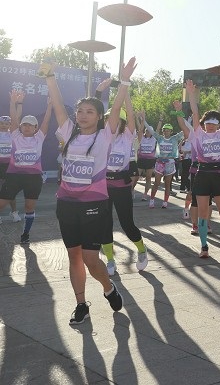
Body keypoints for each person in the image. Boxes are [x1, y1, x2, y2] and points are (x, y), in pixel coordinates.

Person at [44, 58, 135, 324]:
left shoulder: (105, 136)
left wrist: (124, 81)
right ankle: (81, 304)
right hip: (66, 204)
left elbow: (116, 107)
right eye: (80, 111)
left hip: (94, 205)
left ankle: (108, 287)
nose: (83, 115)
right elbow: (58, 104)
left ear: (99, 116)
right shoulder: (69, 132)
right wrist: (49, 76)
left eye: (90, 112)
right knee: (74, 256)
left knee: (91, 260)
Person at [174, 79, 220, 258]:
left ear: (218, 124)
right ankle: (204, 247)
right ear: (203, 124)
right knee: (203, 214)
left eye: (214, 122)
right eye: (208, 122)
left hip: (218, 175)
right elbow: (195, 112)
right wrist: (191, 93)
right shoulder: (198, 134)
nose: (210, 125)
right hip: (202, 175)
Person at [96, 79, 149, 274]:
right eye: (109, 119)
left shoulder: (128, 136)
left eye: (117, 119)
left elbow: (131, 113)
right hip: (102, 186)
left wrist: (124, 91)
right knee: (104, 224)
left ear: (124, 123)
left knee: (127, 224)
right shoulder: (102, 135)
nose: (112, 122)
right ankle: (110, 260)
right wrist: (100, 91)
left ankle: (142, 249)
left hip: (122, 186)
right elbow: (95, 111)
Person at [1, 91, 51, 242]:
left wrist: (49, 106)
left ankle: (25, 234)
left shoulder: (39, 137)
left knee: (29, 207)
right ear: (20, 127)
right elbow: (14, 118)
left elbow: (46, 121)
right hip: (14, 176)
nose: (27, 127)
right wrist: (13, 102)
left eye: (30, 125)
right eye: (24, 125)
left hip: (33, 178)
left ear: (36, 128)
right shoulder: (15, 135)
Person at [148, 118, 184, 209]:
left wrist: (188, 121)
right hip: (160, 162)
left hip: (170, 163)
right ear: (163, 131)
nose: (166, 132)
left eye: (168, 130)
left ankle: (165, 202)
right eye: (164, 130)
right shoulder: (159, 138)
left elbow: (185, 130)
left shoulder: (175, 138)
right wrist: (143, 120)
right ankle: (152, 200)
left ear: (171, 132)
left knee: (167, 184)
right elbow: (150, 130)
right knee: (157, 183)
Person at [0, 113, 22, 223]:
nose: (4, 125)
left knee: (10, 189)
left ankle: (14, 212)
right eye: (2, 123)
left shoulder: (13, 135)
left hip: (9, 165)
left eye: (6, 123)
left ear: (10, 125)